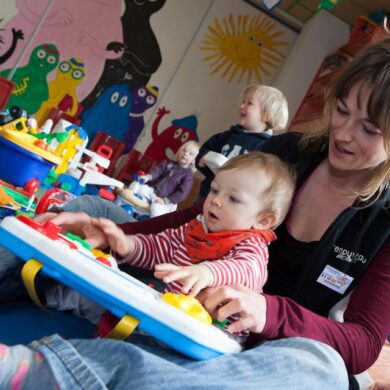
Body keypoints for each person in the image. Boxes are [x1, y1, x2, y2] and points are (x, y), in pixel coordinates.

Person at [2, 36, 390, 389]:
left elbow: (365, 342)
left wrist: (269, 312)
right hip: (183, 287)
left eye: (369, 130)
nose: (343, 133)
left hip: (260, 347)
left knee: (324, 370)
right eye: (341, 111)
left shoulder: (383, 221)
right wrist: (122, 238)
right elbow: (195, 220)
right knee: (91, 209)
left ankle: (46, 373)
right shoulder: (289, 152)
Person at [81, 152, 294, 338]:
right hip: (169, 312)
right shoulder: (196, 227)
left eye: (233, 199)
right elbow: (159, 248)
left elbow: (246, 270)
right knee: (107, 302)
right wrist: (127, 245)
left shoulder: (252, 244)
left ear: (263, 220)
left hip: (213, 333)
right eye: (215, 190)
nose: (216, 201)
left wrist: (207, 272)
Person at [195, 84, 288, 200]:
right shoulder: (227, 136)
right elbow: (204, 151)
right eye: (243, 101)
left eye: (249, 103)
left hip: (234, 202)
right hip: (207, 194)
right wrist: (204, 157)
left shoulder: (268, 148)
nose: (241, 106)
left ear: (267, 114)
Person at [118, 140, 200, 217]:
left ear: (194, 160)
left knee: (155, 206)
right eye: (184, 150)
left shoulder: (187, 176)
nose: (185, 154)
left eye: (190, 154)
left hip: (168, 202)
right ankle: (125, 205)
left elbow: (182, 194)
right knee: (139, 187)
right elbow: (157, 171)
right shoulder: (168, 164)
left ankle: (153, 225)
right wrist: (148, 177)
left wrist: (166, 200)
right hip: (154, 193)